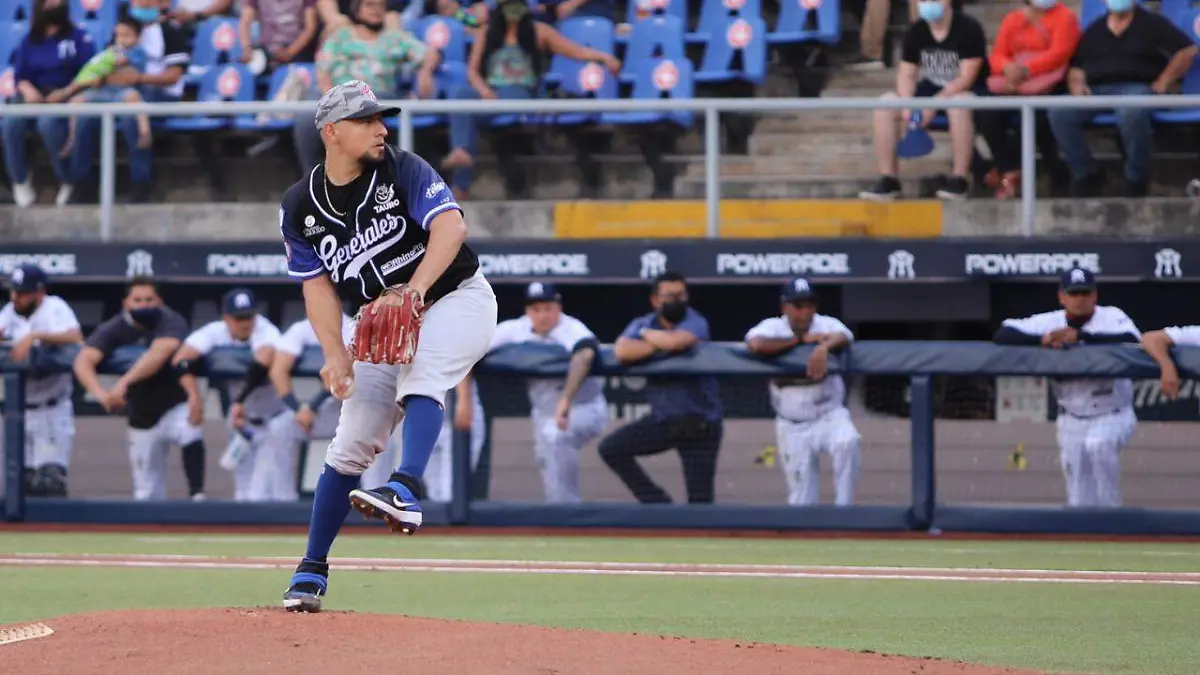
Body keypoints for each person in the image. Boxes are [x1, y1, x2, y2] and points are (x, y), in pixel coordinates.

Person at [277, 80, 497, 612]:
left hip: (457, 298)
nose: (381, 128)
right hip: (377, 320)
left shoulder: (402, 167)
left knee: (423, 372)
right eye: (366, 120)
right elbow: (316, 285)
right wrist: (334, 352)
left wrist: (414, 291)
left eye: (382, 118)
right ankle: (311, 570)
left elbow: (451, 227)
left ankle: (403, 487)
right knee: (350, 440)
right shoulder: (299, 205)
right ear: (332, 132)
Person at [440, 0, 620, 199]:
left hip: (521, 94)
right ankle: (461, 153)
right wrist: (484, 91)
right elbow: (472, 71)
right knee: (458, 94)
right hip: (492, 94)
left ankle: (461, 182)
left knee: (468, 115)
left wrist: (604, 58)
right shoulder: (486, 32)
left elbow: (575, 51)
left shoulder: (539, 31)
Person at [992, 268, 1140, 508]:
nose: (1080, 298)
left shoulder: (1111, 317)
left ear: (1095, 295)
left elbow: (1133, 341)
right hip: (1072, 417)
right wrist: (1041, 340)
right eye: (1074, 293)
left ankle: (1114, 518)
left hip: (1113, 412)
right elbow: (1003, 334)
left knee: (1099, 445)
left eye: (1085, 292)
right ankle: (1086, 535)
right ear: (1062, 297)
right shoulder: (1049, 322)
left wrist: (1081, 336)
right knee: (1079, 498)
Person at [72, 277, 208, 501]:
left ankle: (197, 495)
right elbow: (83, 361)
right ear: (126, 303)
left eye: (149, 300)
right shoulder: (115, 327)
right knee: (146, 493)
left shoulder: (170, 319)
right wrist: (103, 395)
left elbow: (160, 353)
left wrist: (123, 384)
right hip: (141, 415)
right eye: (137, 300)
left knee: (190, 431)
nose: (143, 305)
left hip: (174, 404)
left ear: (159, 301)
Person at [1048, 0, 1197, 197]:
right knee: (1059, 112)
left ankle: (1136, 178)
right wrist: (1077, 85)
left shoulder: (1152, 23)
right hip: (1097, 90)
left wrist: (1164, 80)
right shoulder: (1096, 29)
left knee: (1131, 111)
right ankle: (1086, 174)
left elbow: (1187, 50)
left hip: (1136, 88)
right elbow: (1077, 66)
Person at [599, 271, 723, 504]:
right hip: (664, 420)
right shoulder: (644, 323)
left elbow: (677, 342)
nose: (676, 301)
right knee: (611, 449)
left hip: (701, 423)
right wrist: (657, 341)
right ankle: (657, 502)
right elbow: (622, 351)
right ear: (655, 300)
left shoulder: (695, 320)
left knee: (700, 503)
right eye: (669, 296)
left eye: (681, 295)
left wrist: (646, 339)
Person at [486, 281, 608, 503]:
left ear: (558, 307)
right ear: (527, 311)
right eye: (536, 309)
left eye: (548, 308)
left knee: (556, 437)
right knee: (548, 463)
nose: (542, 315)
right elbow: (477, 347)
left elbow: (586, 355)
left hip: (583, 407)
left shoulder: (571, 327)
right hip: (543, 411)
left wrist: (565, 400)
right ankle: (560, 512)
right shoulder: (516, 329)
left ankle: (567, 514)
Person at [744, 278, 861, 506]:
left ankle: (845, 511)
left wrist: (823, 347)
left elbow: (845, 336)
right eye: (798, 306)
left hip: (829, 414)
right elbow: (755, 344)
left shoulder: (826, 325)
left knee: (848, 442)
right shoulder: (772, 327)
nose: (805, 312)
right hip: (792, 424)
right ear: (784, 307)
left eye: (810, 305)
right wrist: (798, 342)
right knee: (801, 501)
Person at [859, 0, 987, 201]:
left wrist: (933, 104)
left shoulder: (968, 28)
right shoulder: (916, 30)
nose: (927, 4)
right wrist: (908, 104)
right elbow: (907, 74)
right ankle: (889, 179)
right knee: (886, 103)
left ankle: (959, 179)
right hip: (929, 89)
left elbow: (965, 78)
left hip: (967, 92)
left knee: (958, 104)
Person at [68, 0, 191, 204]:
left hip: (160, 93)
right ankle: (82, 184)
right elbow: (108, 64)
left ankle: (141, 184)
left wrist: (139, 78)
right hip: (120, 90)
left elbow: (174, 76)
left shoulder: (171, 31)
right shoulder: (121, 32)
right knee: (83, 112)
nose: (140, 5)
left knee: (130, 113)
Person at [292, 0, 439, 170]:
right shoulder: (340, 37)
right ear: (358, 11)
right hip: (339, 96)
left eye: (380, 6)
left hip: (378, 97)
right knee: (306, 117)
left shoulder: (396, 38)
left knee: (361, 113)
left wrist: (425, 72)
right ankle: (312, 181)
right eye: (370, 5)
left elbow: (430, 55)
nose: (375, 10)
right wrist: (329, 99)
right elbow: (323, 70)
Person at [171, 288, 283, 502]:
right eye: (238, 318)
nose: (245, 323)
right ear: (226, 318)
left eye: (248, 316)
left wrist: (239, 401)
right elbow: (180, 360)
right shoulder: (214, 331)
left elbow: (265, 358)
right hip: (240, 422)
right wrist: (194, 395)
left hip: (272, 420)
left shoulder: (266, 330)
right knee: (242, 492)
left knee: (266, 494)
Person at [975, 0, 1077, 199]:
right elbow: (997, 55)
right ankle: (1010, 169)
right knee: (986, 111)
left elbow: (1059, 54)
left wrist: (1025, 70)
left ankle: (1033, 173)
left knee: (1031, 118)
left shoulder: (1066, 17)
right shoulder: (1013, 19)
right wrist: (1007, 69)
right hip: (1012, 82)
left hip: (1049, 83)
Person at [3, 0, 96, 207]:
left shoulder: (77, 36)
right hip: (34, 96)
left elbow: (90, 72)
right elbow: (20, 75)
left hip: (66, 95)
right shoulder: (30, 40)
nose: (56, 4)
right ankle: (20, 180)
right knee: (10, 123)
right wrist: (28, 90)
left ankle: (68, 179)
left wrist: (65, 92)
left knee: (48, 124)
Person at [0, 265, 83, 497]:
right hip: (17, 411)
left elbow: (75, 337)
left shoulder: (54, 307)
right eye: (14, 291)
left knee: (49, 483)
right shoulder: (9, 312)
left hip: (51, 408)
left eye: (23, 292)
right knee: (18, 485)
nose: (16, 297)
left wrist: (35, 336)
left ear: (40, 292)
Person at [256, 312, 357, 502]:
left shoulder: (352, 327)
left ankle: (371, 501)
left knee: (380, 434)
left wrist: (311, 407)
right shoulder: (301, 329)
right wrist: (298, 409)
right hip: (315, 414)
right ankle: (282, 501)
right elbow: (278, 370)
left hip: (349, 411)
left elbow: (343, 372)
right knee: (280, 428)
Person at [364, 373, 486, 502]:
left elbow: (462, 359)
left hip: (452, 413)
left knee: (450, 494)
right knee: (437, 494)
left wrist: (464, 400)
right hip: (425, 415)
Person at [59, 17, 153, 161]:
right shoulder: (108, 51)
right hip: (104, 91)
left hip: (123, 91)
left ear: (138, 38)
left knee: (134, 97)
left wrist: (117, 59)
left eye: (127, 35)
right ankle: (72, 139)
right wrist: (97, 76)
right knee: (76, 101)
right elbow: (99, 70)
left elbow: (127, 65)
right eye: (118, 36)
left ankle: (145, 132)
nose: (121, 40)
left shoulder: (137, 52)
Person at [238, 0, 320, 73]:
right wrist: (247, 48)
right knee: (246, 68)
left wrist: (290, 52)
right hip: (267, 49)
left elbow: (310, 27)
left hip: (297, 49)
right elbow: (245, 22)